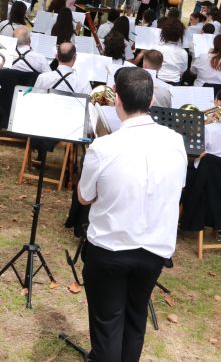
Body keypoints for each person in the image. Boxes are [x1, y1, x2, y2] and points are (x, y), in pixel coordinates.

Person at [77, 66, 186, 362]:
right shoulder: (176, 142)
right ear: (151, 102)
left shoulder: (104, 146)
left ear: (118, 101)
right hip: (154, 249)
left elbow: (84, 196)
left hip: (111, 249)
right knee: (135, 319)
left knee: (108, 324)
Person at [135, 18, 187, 85]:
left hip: (158, 81)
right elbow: (182, 72)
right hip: (175, 83)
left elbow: (147, 67)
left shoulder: (156, 48)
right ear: (180, 35)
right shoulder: (184, 53)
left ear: (163, 32)